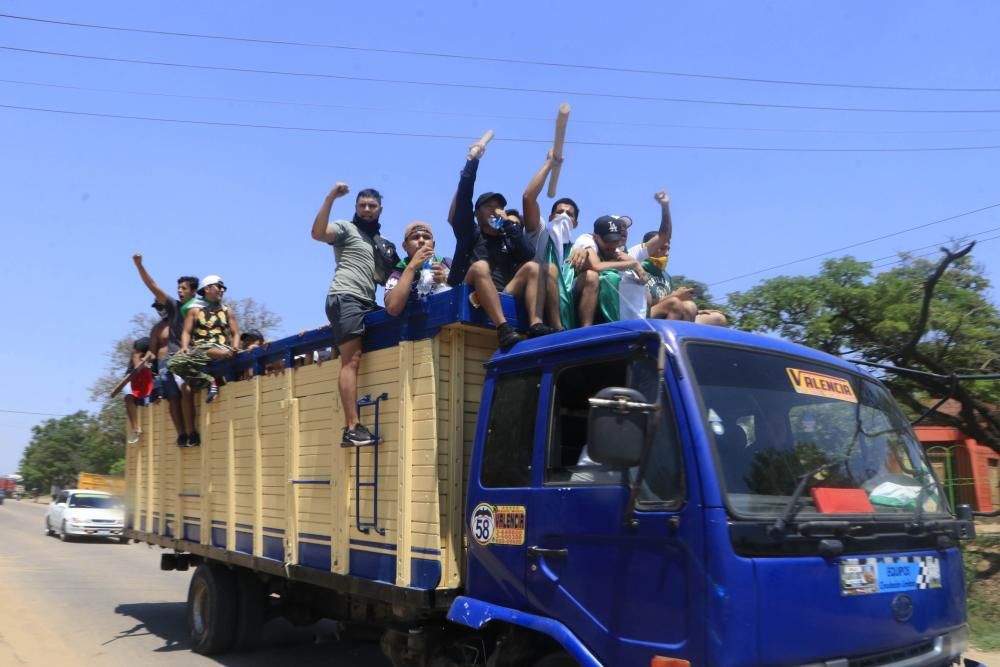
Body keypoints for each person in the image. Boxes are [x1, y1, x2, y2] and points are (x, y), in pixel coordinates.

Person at [311, 183, 398, 447]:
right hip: (346, 296)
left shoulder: (380, 243)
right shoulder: (346, 229)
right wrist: (329, 198)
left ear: (380, 209)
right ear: (356, 208)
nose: (368, 210)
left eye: (372, 206)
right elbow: (317, 233)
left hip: (366, 302)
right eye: (363, 206)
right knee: (352, 361)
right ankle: (352, 427)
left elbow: (392, 276)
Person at [446, 141, 550, 348]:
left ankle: (536, 324)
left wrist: (511, 227)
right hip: (469, 290)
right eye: (489, 206)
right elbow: (465, 193)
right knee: (481, 266)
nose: (495, 210)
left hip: (503, 293)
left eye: (499, 207)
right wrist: (472, 161)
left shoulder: (508, 236)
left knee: (534, 266)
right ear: (477, 213)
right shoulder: (469, 232)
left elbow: (528, 255)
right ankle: (502, 328)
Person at [132, 254, 198, 445]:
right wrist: (139, 265)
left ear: (194, 291)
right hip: (167, 361)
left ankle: (192, 432)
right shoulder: (174, 307)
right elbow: (152, 285)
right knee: (172, 398)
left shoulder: (200, 310)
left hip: (188, 358)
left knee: (186, 390)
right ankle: (182, 435)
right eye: (178, 288)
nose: (179, 291)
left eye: (184, 288)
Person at [168, 276, 240, 446]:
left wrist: (235, 347)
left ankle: (222, 360)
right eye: (218, 286)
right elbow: (186, 332)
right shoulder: (195, 310)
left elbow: (235, 332)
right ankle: (208, 381)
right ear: (207, 289)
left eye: (223, 288)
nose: (222, 290)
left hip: (222, 347)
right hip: (201, 350)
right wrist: (184, 346)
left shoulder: (227, 310)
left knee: (216, 352)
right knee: (173, 363)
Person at [521, 150, 581, 330]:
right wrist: (549, 164)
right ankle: (556, 326)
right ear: (550, 216)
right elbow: (528, 198)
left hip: (569, 310)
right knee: (549, 269)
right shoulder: (539, 231)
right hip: (534, 303)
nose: (563, 216)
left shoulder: (576, 248)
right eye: (559, 212)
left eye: (569, 214)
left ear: (575, 223)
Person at [572, 215, 648, 326]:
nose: (612, 244)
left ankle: (637, 326)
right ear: (595, 237)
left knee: (645, 292)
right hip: (573, 292)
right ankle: (585, 328)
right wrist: (631, 264)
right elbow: (596, 266)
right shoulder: (586, 240)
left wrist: (639, 269)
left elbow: (640, 273)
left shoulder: (613, 248)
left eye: (615, 240)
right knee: (592, 276)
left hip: (597, 296)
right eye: (607, 240)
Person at [384, 222, 451, 316]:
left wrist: (444, 282)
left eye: (426, 237)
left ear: (433, 244)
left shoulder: (447, 264)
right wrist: (412, 267)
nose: (421, 241)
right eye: (415, 237)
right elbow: (392, 308)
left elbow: (464, 294)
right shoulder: (398, 275)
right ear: (405, 246)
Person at [124, 337, 154, 444]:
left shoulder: (152, 353)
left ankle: (147, 398)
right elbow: (135, 370)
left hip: (149, 379)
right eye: (137, 352)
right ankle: (135, 429)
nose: (136, 354)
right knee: (128, 395)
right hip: (134, 379)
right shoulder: (135, 356)